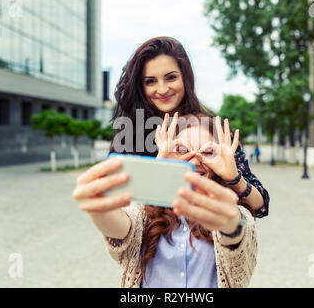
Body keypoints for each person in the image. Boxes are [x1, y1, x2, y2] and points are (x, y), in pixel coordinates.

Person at [72, 115, 257, 287]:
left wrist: (231, 224)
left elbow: (238, 235)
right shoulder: (145, 209)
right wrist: (98, 209)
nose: (195, 159)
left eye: (208, 151)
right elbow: (121, 227)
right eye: (182, 149)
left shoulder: (237, 211)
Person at [110, 36, 270, 218]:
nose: (162, 89)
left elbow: (261, 208)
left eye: (171, 78)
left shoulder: (212, 130)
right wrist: (159, 167)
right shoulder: (131, 136)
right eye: (150, 81)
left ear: (185, 78)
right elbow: (117, 208)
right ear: (141, 86)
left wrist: (234, 178)